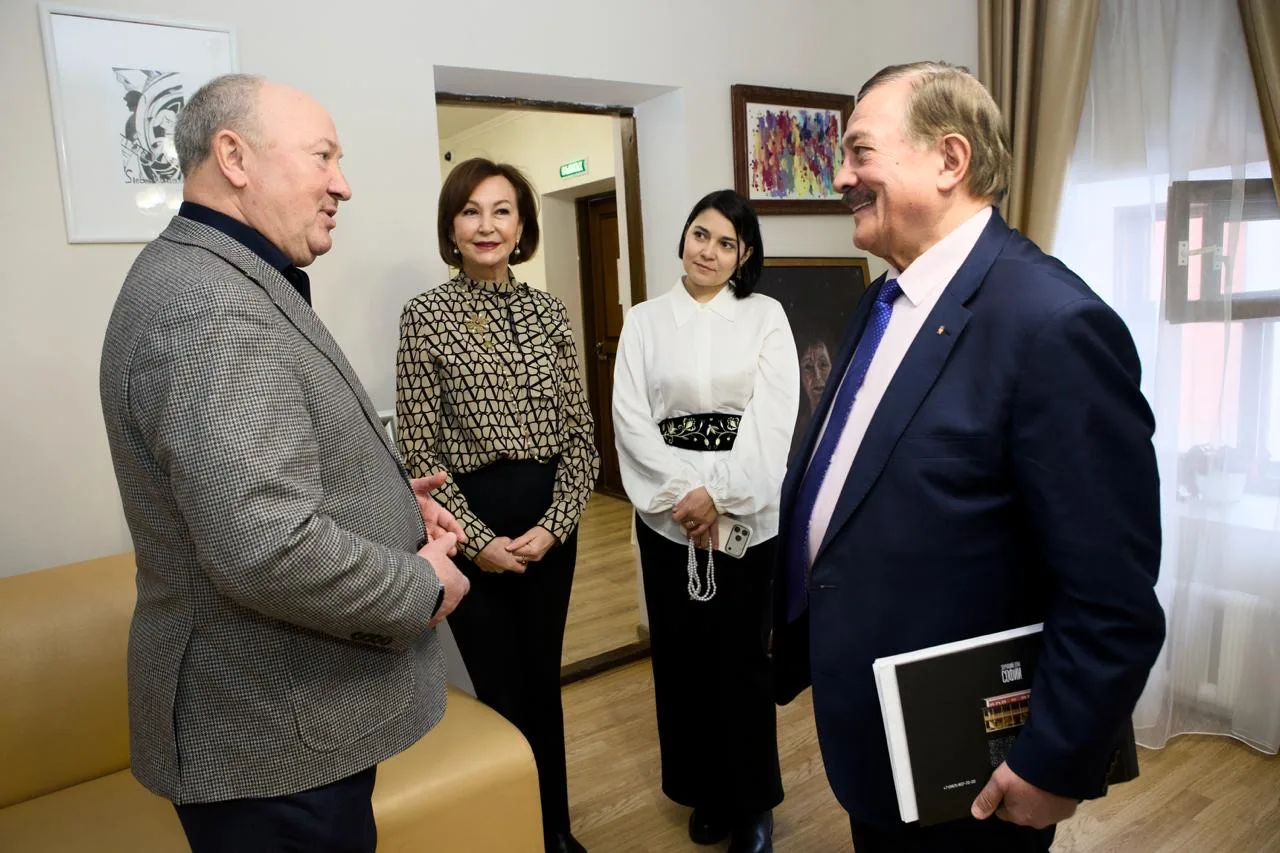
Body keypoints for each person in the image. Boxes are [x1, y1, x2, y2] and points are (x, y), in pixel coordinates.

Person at [770, 61, 1166, 853]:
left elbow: (1112, 592)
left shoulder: (1053, 325)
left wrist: (1055, 758)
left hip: (976, 766)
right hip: (878, 732)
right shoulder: (881, 301)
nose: (840, 176)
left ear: (950, 160)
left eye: (859, 152)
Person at [98, 74, 470, 853]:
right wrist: (423, 585)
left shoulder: (221, 275)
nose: (343, 185)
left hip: (284, 728)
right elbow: (266, 546)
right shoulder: (210, 307)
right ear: (234, 157)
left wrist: (385, 498)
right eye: (322, 156)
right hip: (271, 742)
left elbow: (251, 480)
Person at [395, 157, 599, 853]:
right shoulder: (425, 316)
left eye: (502, 210)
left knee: (542, 681)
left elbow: (580, 439)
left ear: (522, 226)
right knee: (501, 690)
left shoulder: (549, 311)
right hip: (465, 523)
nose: (487, 226)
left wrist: (555, 524)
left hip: (548, 523)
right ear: (452, 227)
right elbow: (420, 454)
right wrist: (478, 542)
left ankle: (556, 829)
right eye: (471, 211)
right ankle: (518, 833)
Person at [613, 189, 799, 853]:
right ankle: (704, 791)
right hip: (669, 521)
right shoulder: (644, 321)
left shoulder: (766, 317)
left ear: (744, 255)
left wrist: (718, 495)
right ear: (684, 237)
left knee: (742, 659)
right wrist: (683, 496)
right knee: (681, 657)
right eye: (701, 234)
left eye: (726, 243)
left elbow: (773, 419)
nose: (709, 252)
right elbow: (631, 419)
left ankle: (752, 803)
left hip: (746, 518)